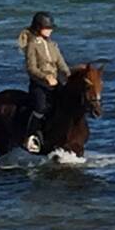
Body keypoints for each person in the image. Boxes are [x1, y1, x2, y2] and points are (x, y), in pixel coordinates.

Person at [17, 11, 71, 153]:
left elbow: (61, 63)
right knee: (40, 107)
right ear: (38, 28)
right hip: (39, 84)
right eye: (47, 27)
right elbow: (31, 68)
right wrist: (45, 77)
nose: (50, 30)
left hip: (55, 82)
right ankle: (29, 137)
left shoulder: (53, 45)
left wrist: (68, 75)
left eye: (51, 27)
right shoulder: (32, 45)